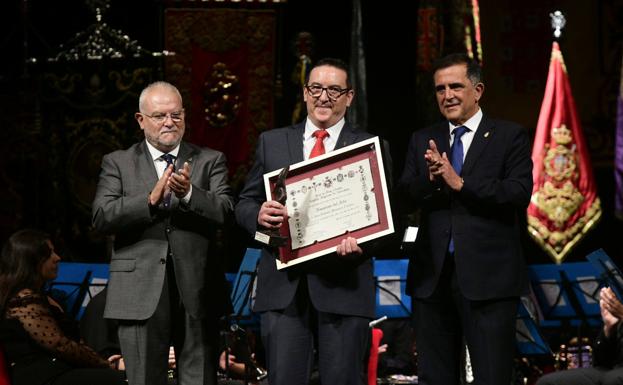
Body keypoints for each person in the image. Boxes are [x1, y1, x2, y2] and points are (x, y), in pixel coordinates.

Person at [235, 58, 388, 385]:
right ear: (305, 93)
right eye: (316, 88)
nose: (324, 96)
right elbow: (244, 202)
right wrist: (258, 216)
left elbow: (388, 220)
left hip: (344, 287)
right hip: (284, 290)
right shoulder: (272, 142)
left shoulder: (370, 148)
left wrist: (363, 245)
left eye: (334, 90)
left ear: (350, 97)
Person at [398, 53, 533, 385]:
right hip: (433, 278)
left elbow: (517, 193)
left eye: (456, 86)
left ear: (478, 90)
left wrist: (460, 183)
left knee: (492, 376)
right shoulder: (422, 138)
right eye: (440, 89)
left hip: (489, 280)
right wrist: (431, 180)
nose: (448, 95)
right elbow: (403, 195)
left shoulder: (508, 136)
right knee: (435, 376)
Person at [92, 81, 234, 385]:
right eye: (159, 116)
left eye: (176, 115)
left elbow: (225, 211)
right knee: (144, 378)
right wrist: (149, 200)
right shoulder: (118, 162)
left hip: (197, 287)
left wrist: (189, 194)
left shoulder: (210, 160)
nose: (169, 122)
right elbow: (102, 216)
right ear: (141, 120)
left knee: (199, 377)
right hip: (139, 288)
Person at [0, 229, 126, 385]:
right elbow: (60, 345)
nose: (57, 258)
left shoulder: (41, 296)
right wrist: (107, 364)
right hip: (41, 376)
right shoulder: (23, 300)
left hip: (57, 369)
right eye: (49, 254)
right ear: (31, 260)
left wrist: (102, 361)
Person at [535, 287, 623, 385]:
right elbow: (601, 362)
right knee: (547, 382)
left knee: (612, 380)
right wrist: (609, 328)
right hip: (614, 369)